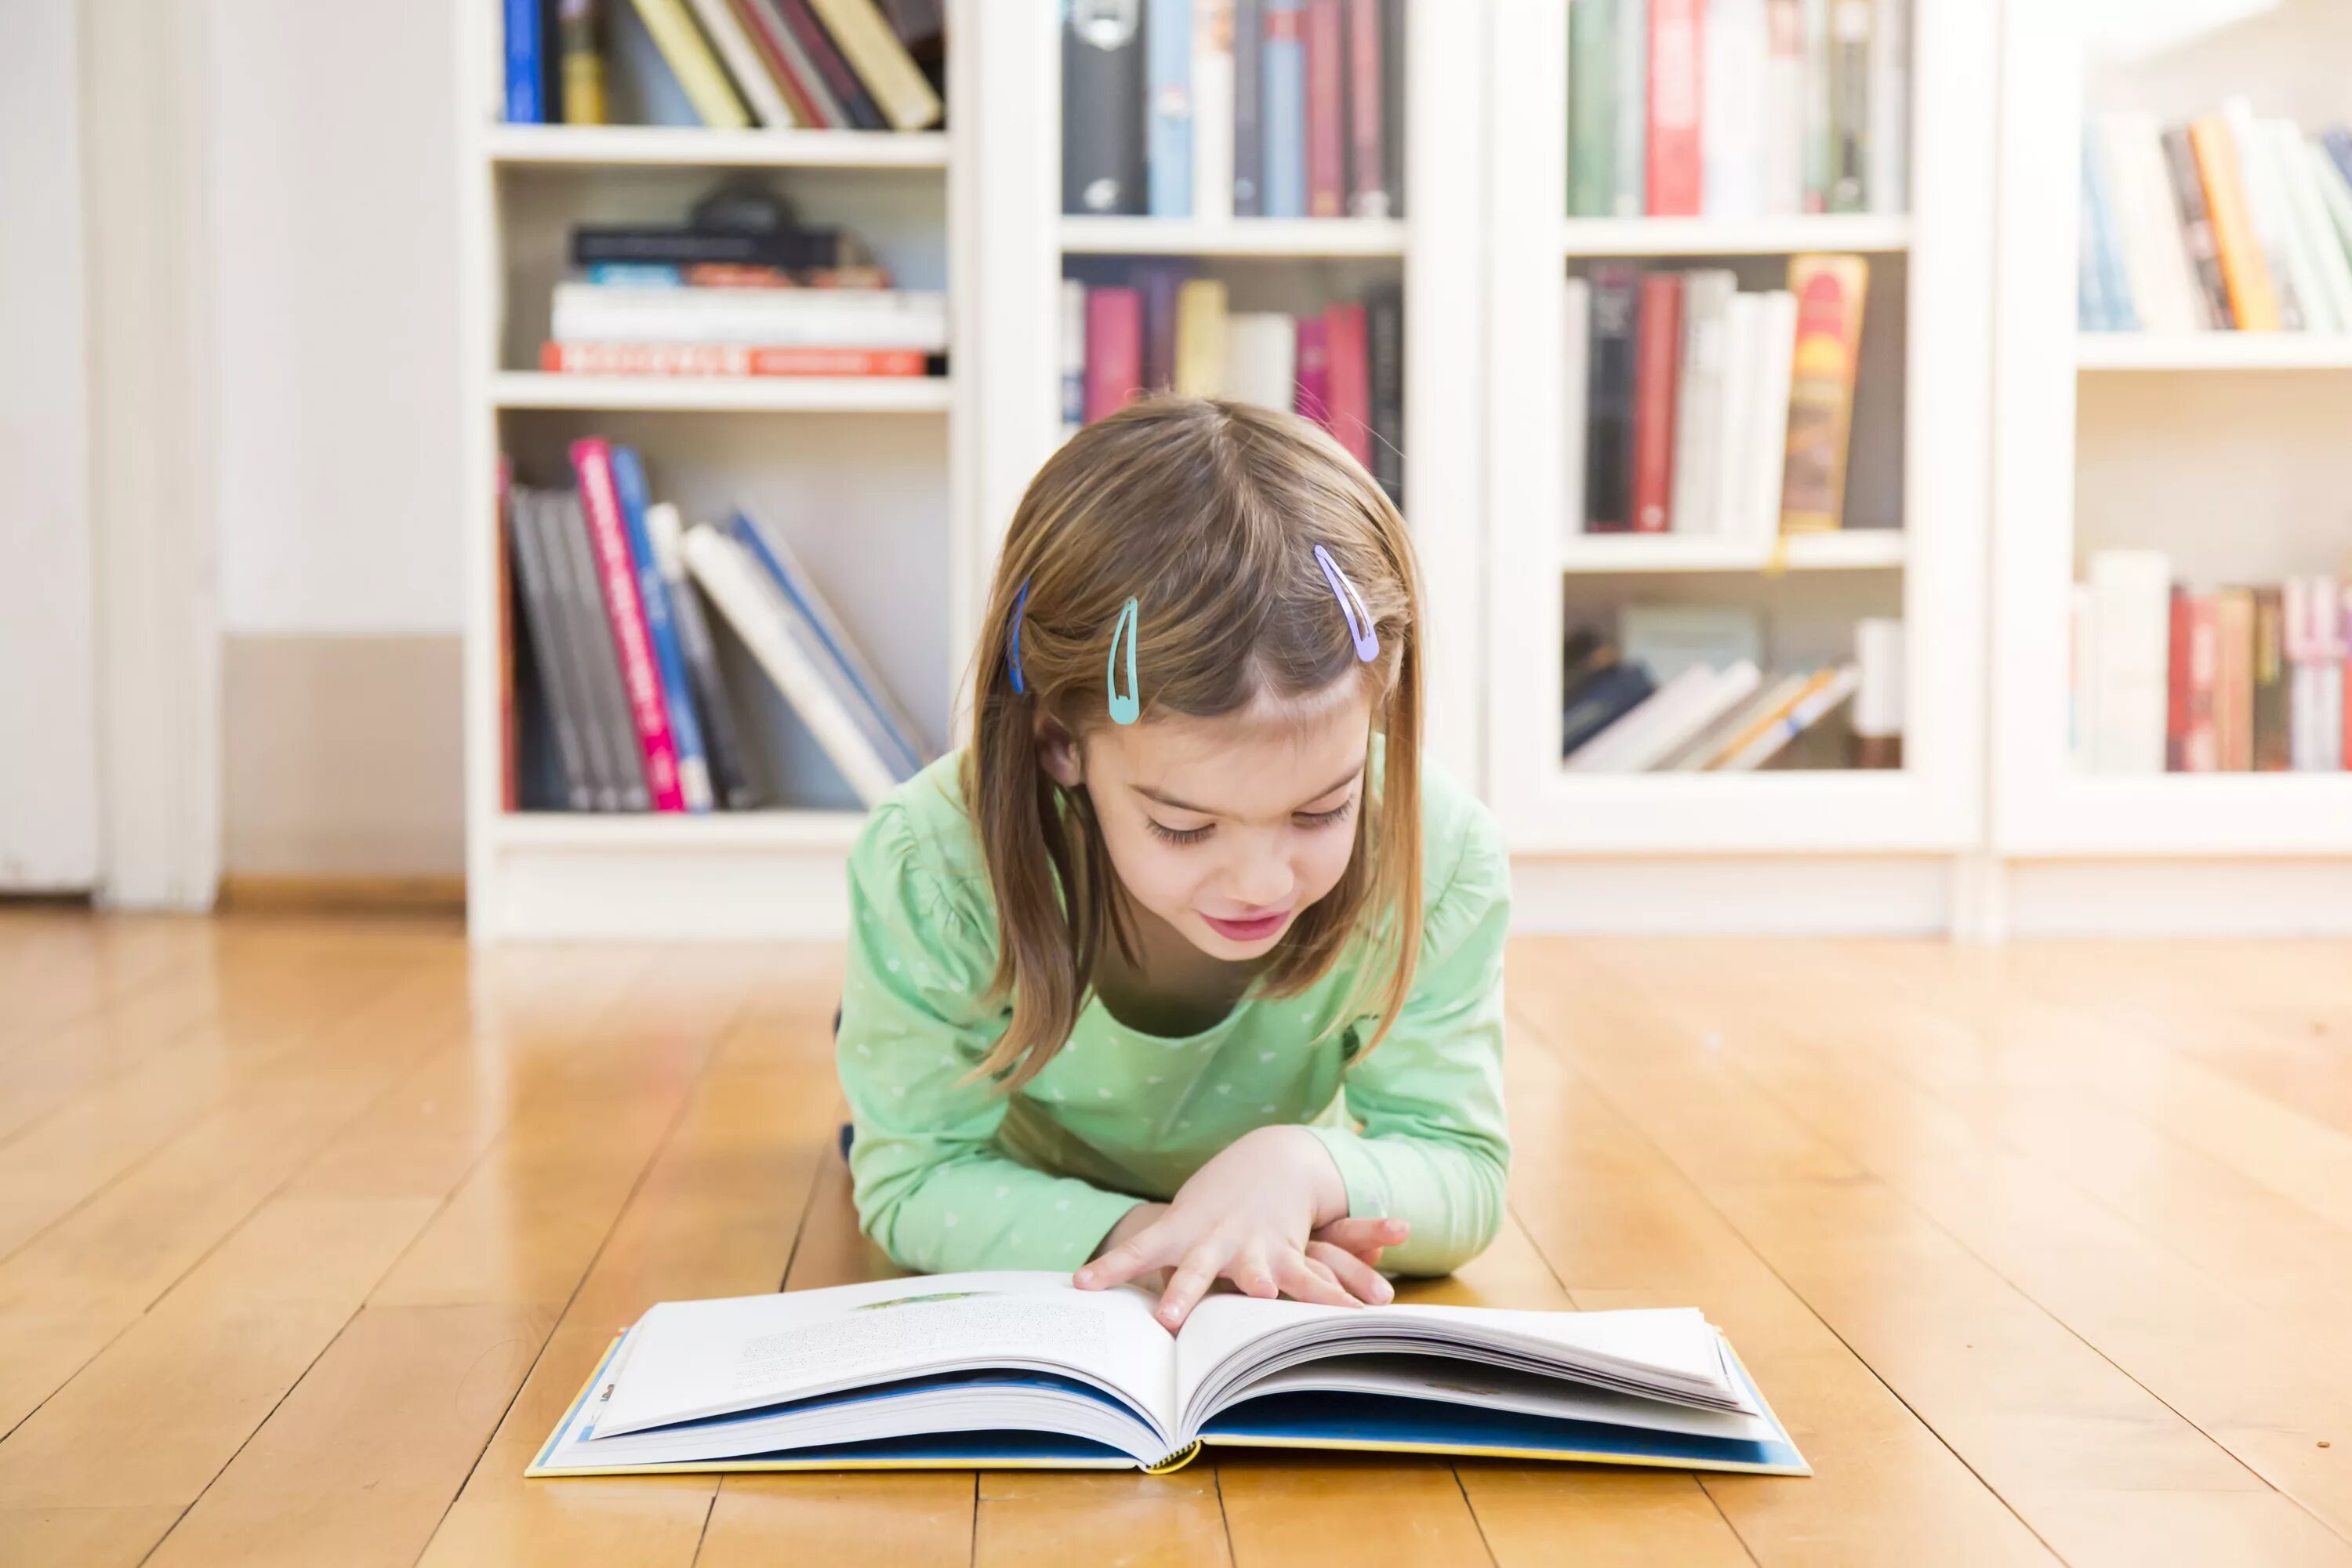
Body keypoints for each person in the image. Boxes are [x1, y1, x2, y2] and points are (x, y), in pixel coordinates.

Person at [836, 396, 1509, 1330]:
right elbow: (915, 1182)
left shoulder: (1438, 852)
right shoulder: (931, 865)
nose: (1261, 882)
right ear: (1059, 744)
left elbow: (1464, 1166)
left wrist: (1302, 1167)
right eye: (1186, 826)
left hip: (1264, 1192)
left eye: (1322, 809)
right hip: (1026, 1160)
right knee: (878, 1113)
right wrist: (1168, 1236)